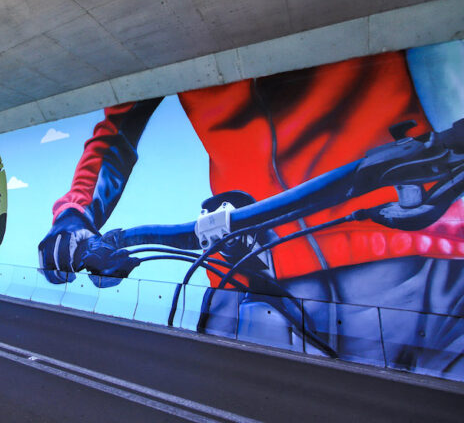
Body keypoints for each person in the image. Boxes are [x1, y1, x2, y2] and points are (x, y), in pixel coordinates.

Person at [38, 48, 464, 373]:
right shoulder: (167, 49)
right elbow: (116, 133)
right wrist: (75, 216)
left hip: (410, 253)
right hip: (245, 273)